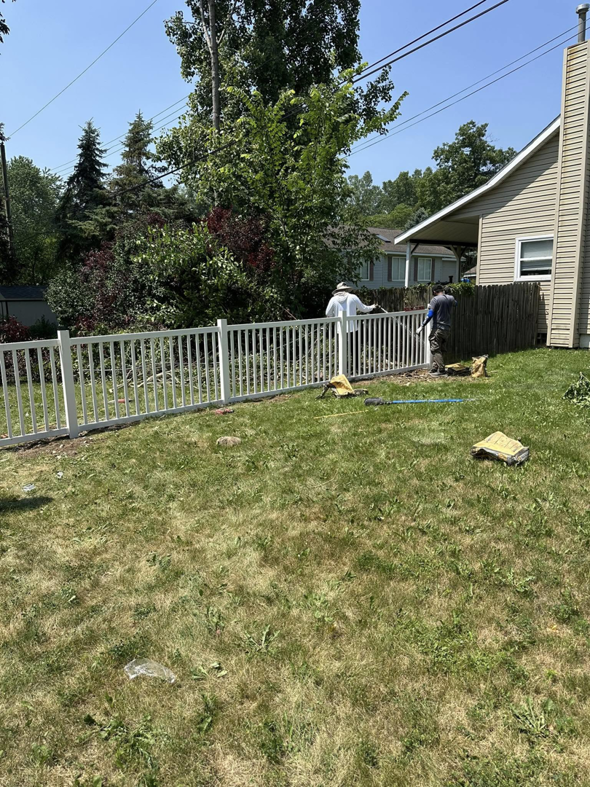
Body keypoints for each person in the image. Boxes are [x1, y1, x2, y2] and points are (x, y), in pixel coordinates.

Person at [416, 284, 457, 376]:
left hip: (438, 328)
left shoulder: (435, 300)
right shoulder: (450, 298)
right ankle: (435, 368)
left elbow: (430, 315)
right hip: (447, 329)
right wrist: (448, 295)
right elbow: (456, 303)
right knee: (440, 348)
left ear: (434, 292)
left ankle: (441, 370)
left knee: (435, 348)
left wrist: (422, 326)